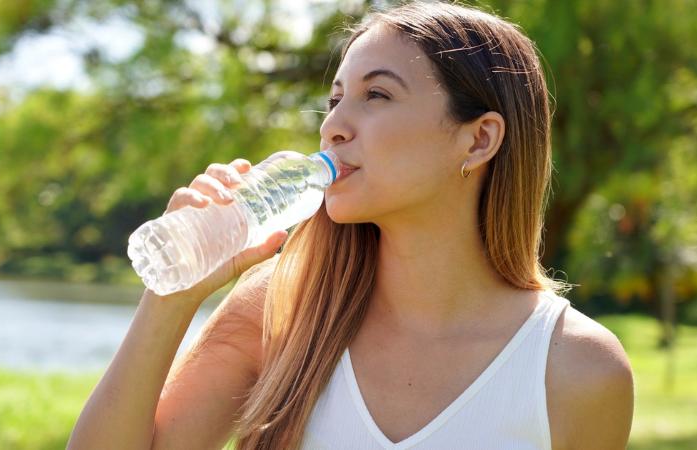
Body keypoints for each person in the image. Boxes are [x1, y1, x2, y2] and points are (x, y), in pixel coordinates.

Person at [67, 2, 634, 449]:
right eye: (335, 100)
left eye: (377, 95)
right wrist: (172, 294)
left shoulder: (575, 368)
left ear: (479, 138)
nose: (334, 125)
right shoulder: (278, 312)